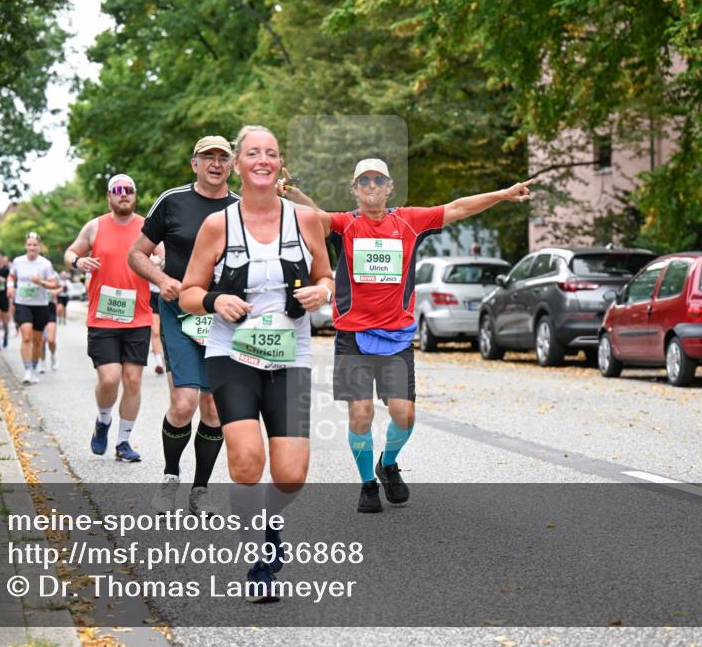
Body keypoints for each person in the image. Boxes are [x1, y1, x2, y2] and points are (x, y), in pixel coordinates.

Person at [281, 159, 533, 513]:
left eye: (377, 180)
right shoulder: (344, 224)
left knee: (405, 415)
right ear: (354, 189)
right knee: (361, 414)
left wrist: (503, 194)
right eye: (363, 181)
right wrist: (289, 192)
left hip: (396, 336)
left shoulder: (410, 222)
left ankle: (388, 463)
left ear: (389, 187)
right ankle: (368, 483)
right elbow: (313, 216)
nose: (371, 186)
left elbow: (458, 207)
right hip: (352, 335)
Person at [180, 125, 334, 601]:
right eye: (252, 153)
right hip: (232, 353)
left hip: (291, 354)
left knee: (291, 474)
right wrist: (213, 301)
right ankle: (263, 552)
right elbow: (186, 293)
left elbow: (326, 276)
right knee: (247, 461)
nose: (262, 160)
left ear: (278, 164)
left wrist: (321, 292)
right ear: (238, 164)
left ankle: (266, 520)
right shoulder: (218, 225)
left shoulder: (306, 220)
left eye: (270, 153)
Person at [128, 135, 240, 516]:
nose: (215, 163)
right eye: (207, 157)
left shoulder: (244, 209)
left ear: (231, 165)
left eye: (222, 157)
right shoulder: (172, 201)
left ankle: (201, 489)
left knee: (213, 408)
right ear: (194, 163)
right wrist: (161, 282)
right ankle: (171, 476)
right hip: (179, 312)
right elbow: (137, 254)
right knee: (184, 400)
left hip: (223, 318)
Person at [64, 174, 154, 463]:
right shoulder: (95, 226)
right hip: (103, 318)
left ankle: (124, 442)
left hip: (138, 316)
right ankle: (103, 421)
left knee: (133, 381)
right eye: (117, 190)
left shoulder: (147, 227)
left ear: (135, 196)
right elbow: (70, 252)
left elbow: (165, 254)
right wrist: (78, 261)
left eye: (128, 190)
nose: (123, 194)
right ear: (109, 196)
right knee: (110, 378)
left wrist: (160, 261)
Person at [8, 233, 58, 385]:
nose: (31, 247)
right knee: (27, 337)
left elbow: (53, 284)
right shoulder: (18, 261)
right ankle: (28, 370)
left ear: (39, 246)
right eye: (29, 245)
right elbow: (11, 276)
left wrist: (40, 282)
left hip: (40, 305)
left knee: (37, 340)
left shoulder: (45, 264)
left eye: (34, 245)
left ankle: (34, 368)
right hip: (22, 303)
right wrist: (10, 287)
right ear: (25, 246)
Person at [147, 244, 166, 375]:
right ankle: (159, 362)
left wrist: (161, 259)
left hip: (167, 294)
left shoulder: (169, 247)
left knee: (166, 330)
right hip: (150, 295)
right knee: (155, 331)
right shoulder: (144, 248)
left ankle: (167, 358)